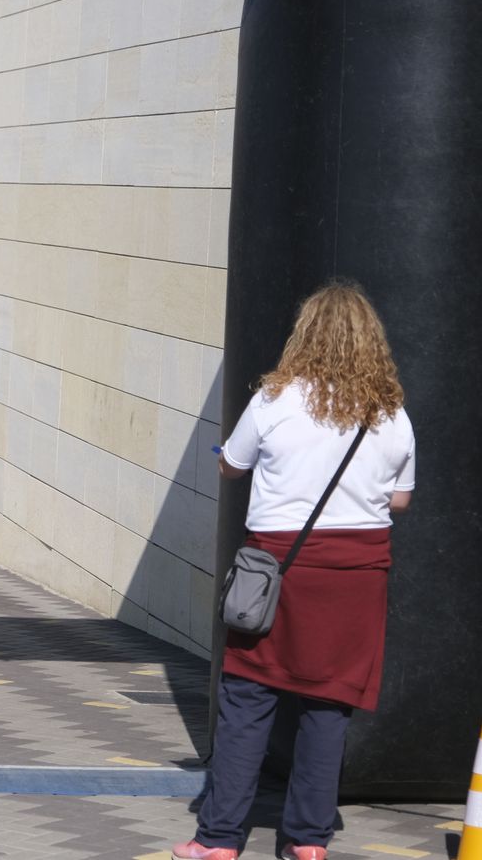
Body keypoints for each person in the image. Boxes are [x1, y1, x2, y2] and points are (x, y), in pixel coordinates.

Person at [172, 281, 415, 860]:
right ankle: (307, 841)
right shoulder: (391, 413)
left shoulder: (274, 400)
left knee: (247, 699)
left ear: (304, 336)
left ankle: (219, 840)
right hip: (355, 577)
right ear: (371, 342)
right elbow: (400, 500)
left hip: (278, 570)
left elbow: (232, 467)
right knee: (328, 706)